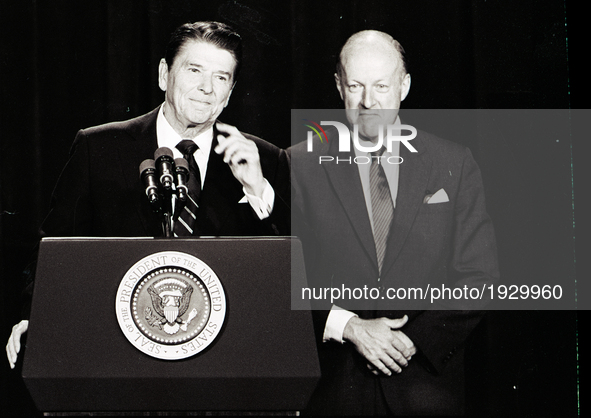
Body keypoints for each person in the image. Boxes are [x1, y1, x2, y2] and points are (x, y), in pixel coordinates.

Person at [6, 21, 290, 368]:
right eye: (194, 70)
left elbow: (284, 276)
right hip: (115, 355)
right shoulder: (99, 147)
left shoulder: (264, 159)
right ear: (163, 74)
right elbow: (53, 247)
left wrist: (257, 190)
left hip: (222, 363)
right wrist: (36, 315)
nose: (206, 88)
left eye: (220, 77)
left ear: (230, 92)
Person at [290, 30, 499, 415]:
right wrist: (350, 328)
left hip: (425, 389)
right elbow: (281, 277)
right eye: (355, 85)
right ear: (339, 86)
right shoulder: (297, 165)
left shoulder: (454, 162)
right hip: (333, 392)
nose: (368, 102)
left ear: (404, 85)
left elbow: (479, 276)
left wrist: (409, 341)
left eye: (381, 86)